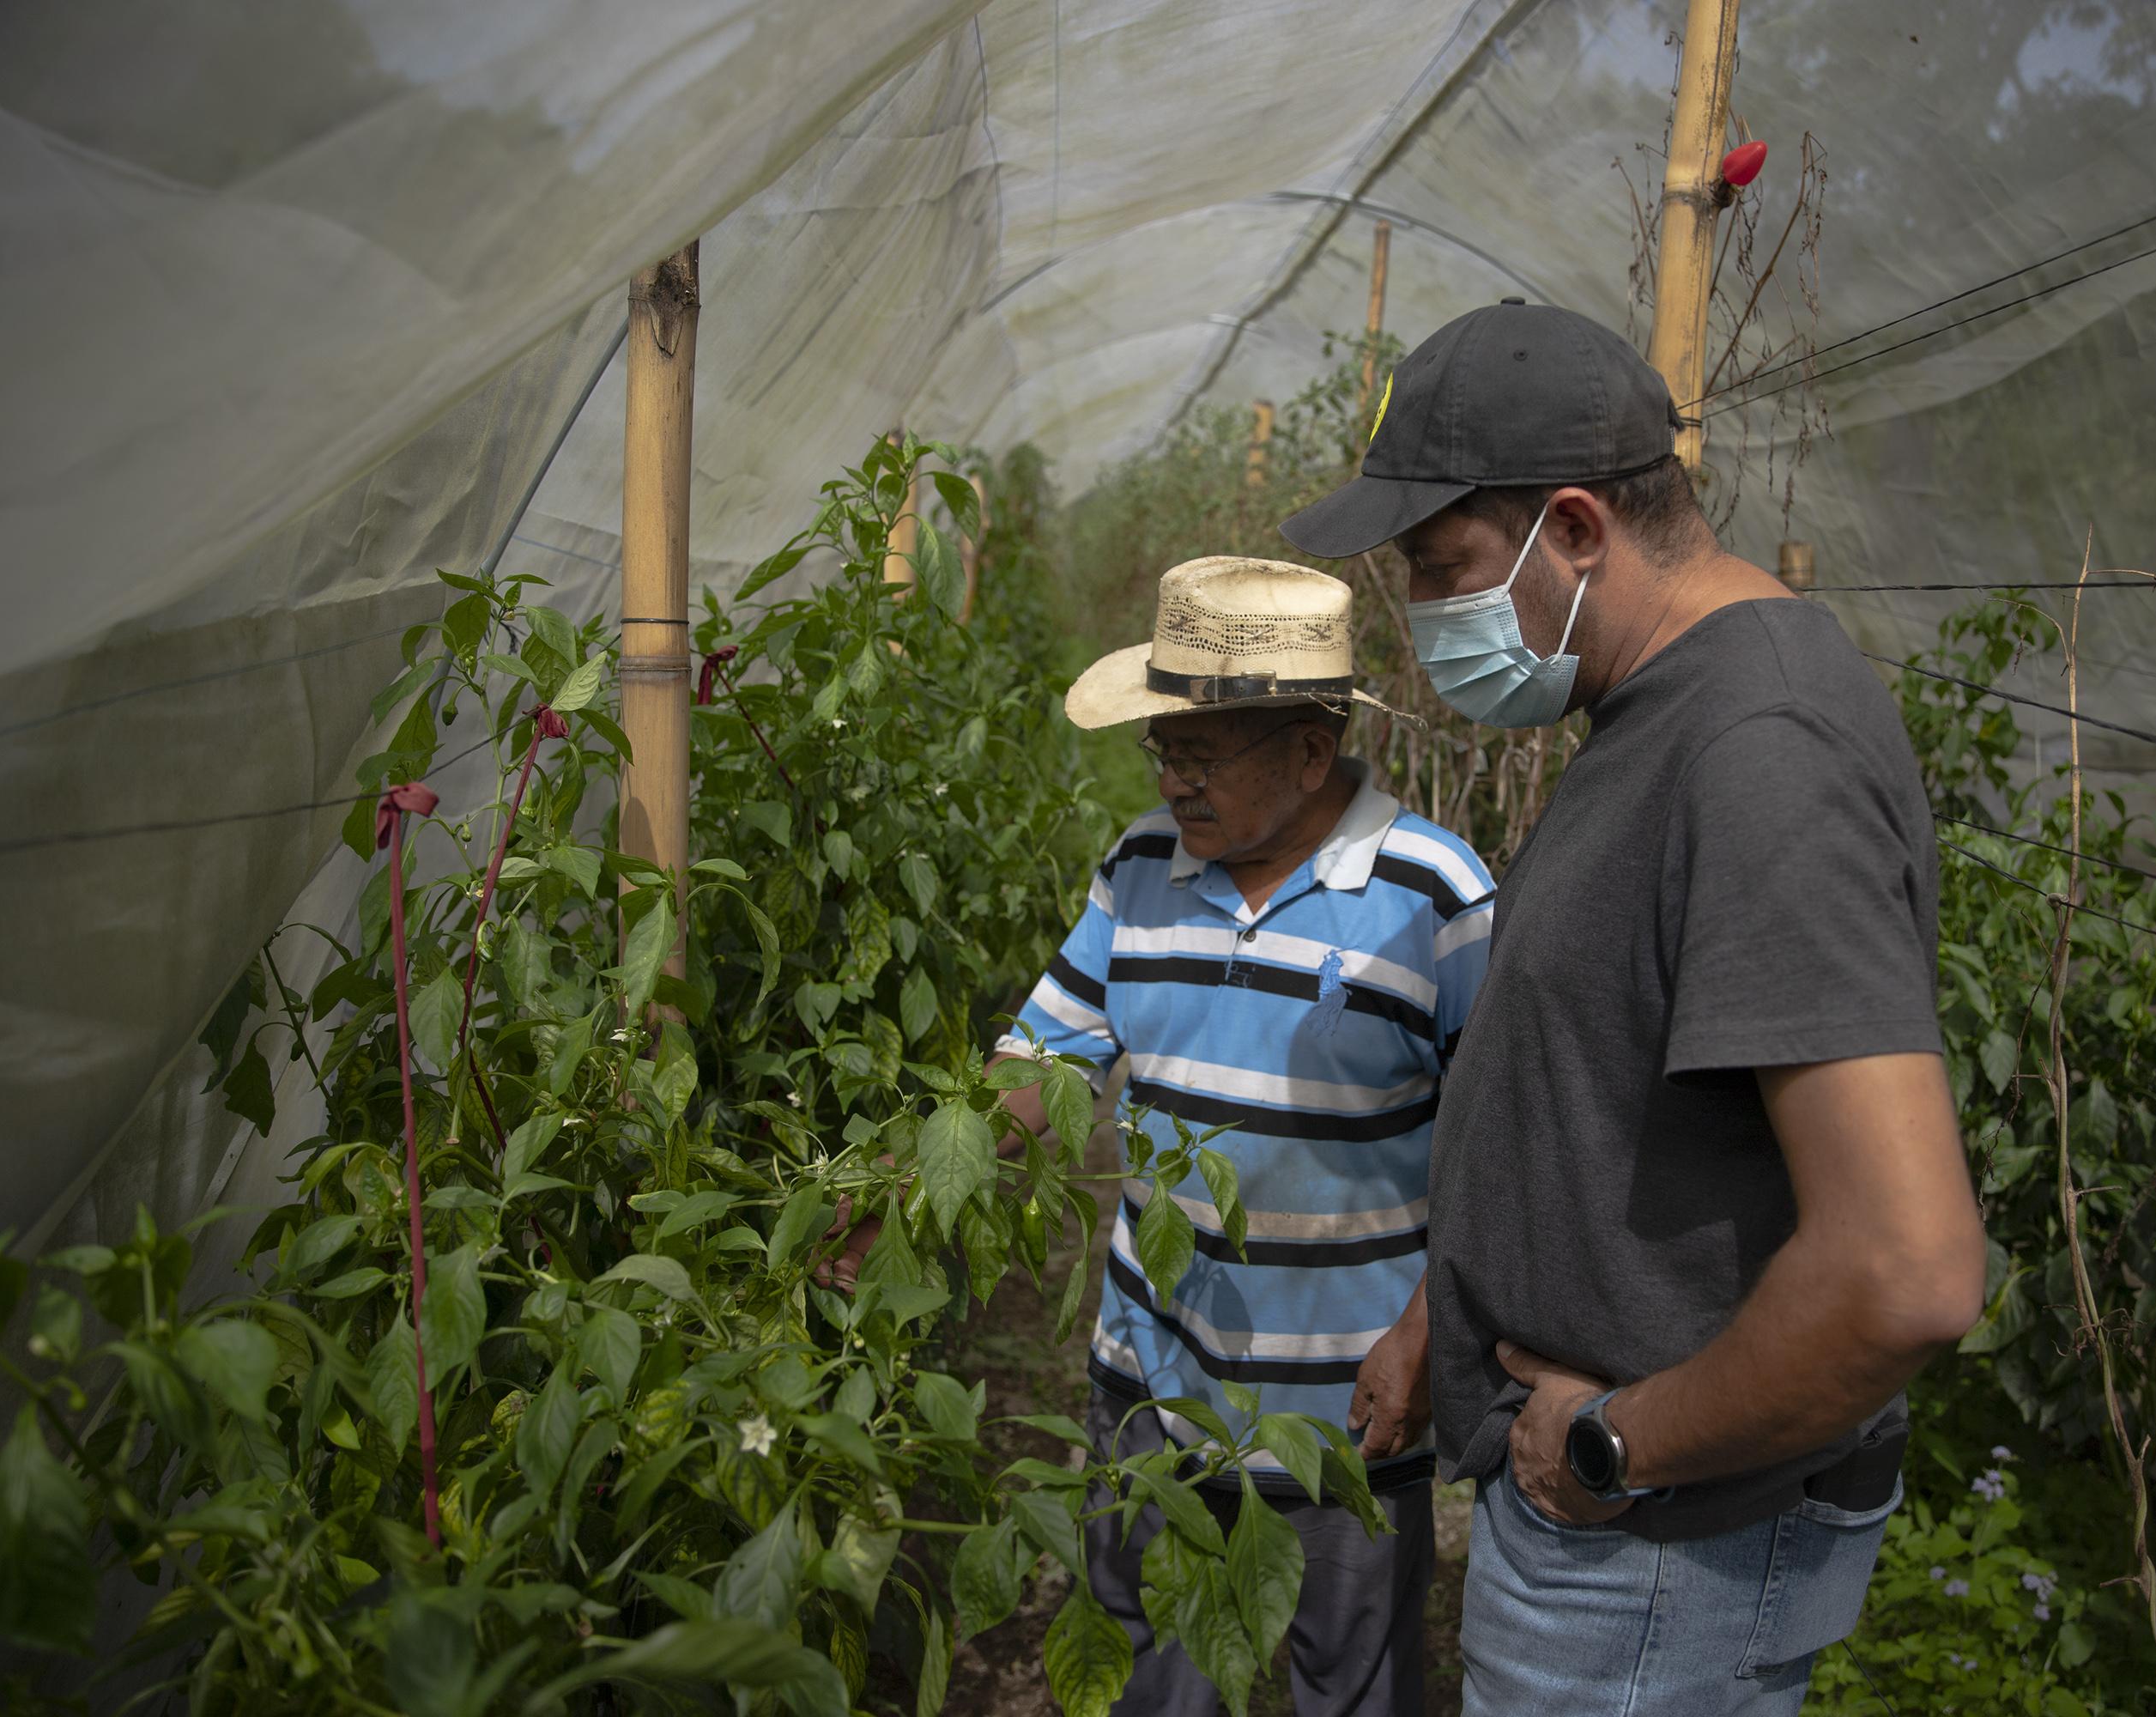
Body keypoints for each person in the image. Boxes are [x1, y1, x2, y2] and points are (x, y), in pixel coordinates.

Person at [1279, 300, 1989, 1714]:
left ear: (1579, 530)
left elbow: (1911, 1270)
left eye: (1443, 568)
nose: (1424, 618)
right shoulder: (1660, 710)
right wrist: (1453, 1303)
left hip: (1657, 1559)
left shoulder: (1758, 750)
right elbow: (1613, 1081)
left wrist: (1612, 1447)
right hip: (1627, 1547)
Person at [825, 556, 1492, 1716]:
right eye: (1164, 749)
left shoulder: (1436, 898)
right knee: (1153, 1672)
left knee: (1357, 1681)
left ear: (1309, 750)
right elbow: (1044, 1061)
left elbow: (1502, 1147)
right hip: (1152, 1383)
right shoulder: (1141, 867)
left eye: (1203, 751)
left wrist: (1430, 1338)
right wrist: (901, 1188)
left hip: (1351, 1409)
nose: (1174, 778)